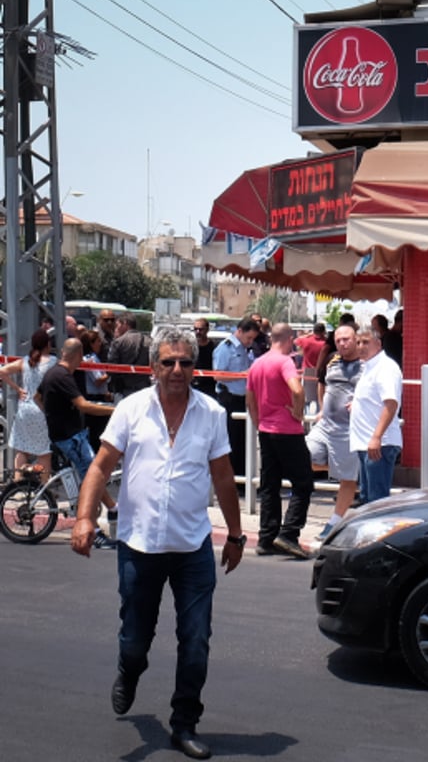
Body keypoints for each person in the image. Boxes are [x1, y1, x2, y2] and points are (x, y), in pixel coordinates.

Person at [70, 326, 245, 761]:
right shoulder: (130, 409)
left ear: (194, 366)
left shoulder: (211, 413)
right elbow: (99, 466)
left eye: (185, 362)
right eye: (168, 362)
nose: (177, 370)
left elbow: (223, 477)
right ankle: (129, 672)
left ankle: (184, 723)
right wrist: (84, 517)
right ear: (153, 367)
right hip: (139, 546)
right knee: (134, 639)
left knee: (197, 639)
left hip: (192, 549)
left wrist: (237, 534)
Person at [36, 338, 120, 549]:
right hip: (70, 436)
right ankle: (98, 528)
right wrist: (115, 411)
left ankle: (112, 507)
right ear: (79, 355)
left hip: (65, 434)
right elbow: (83, 405)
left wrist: (53, 413)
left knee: (90, 475)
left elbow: (38, 397)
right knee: (92, 477)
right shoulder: (63, 376)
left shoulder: (53, 373)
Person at [246, 323, 314, 559]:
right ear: (290, 338)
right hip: (287, 430)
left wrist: (258, 421)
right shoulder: (285, 362)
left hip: (266, 430)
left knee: (269, 485)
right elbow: (297, 390)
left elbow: (250, 398)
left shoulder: (257, 363)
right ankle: (289, 533)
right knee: (303, 483)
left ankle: (266, 538)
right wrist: (298, 413)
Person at [308, 324, 362, 541]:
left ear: (356, 340)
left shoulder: (366, 365)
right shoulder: (332, 361)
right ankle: (339, 465)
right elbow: (323, 384)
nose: (342, 343)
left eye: (347, 339)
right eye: (339, 340)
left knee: (347, 479)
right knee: (303, 456)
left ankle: (335, 521)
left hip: (348, 430)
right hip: (325, 426)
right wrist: (322, 408)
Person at [349, 325, 403, 502]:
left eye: (366, 342)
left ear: (378, 344)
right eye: (357, 342)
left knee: (376, 501)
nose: (361, 346)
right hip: (366, 443)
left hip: (379, 445)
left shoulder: (385, 367)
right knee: (367, 499)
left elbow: (391, 403)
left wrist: (376, 437)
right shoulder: (369, 367)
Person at [0, 328, 57, 476]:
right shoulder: (53, 362)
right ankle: (44, 486)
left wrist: (17, 388)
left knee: (22, 450)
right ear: (48, 344)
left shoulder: (25, 361)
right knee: (44, 453)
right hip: (41, 410)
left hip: (24, 409)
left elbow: (2, 371)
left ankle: (18, 483)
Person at [212, 317, 259, 475]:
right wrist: (242, 375)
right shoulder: (225, 348)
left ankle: (242, 477)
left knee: (243, 442)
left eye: (253, 338)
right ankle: (233, 478)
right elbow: (218, 375)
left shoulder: (243, 350)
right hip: (229, 400)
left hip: (242, 399)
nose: (250, 342)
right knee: (232, 442)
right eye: (249, 338)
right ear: (239, 331)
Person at [79, 329, 112, 451]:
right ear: (91, 343)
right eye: (98, 341)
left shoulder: (95, 358)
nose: (100, 344)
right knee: (97, 432)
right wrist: (110, 373)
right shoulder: (90, 359)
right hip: (94, 399)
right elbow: (97, 380)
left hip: (100, 396)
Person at [107, 314, 152, 400]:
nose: (116, 328)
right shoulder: (149, 341)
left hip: (124, 391)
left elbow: (111, 368)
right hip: (145, 389)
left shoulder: (119, 342)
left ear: (125, 323)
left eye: (117, 325)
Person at [294, 322, 326, 410]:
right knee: (320, 397)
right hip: (321, 372)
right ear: (323, 332)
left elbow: (296, 341)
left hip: (308, 371)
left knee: (307, 398)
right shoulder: (326, 343)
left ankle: (307, 418)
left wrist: (308, 335)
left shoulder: (306, 341)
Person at [191, 318, 218, 399]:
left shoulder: (214, 348)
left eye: (200, 329)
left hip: (209, 388)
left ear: (207, 330)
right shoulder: (190, 347)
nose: (198, 332)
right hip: (193, 387)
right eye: (195, 329)